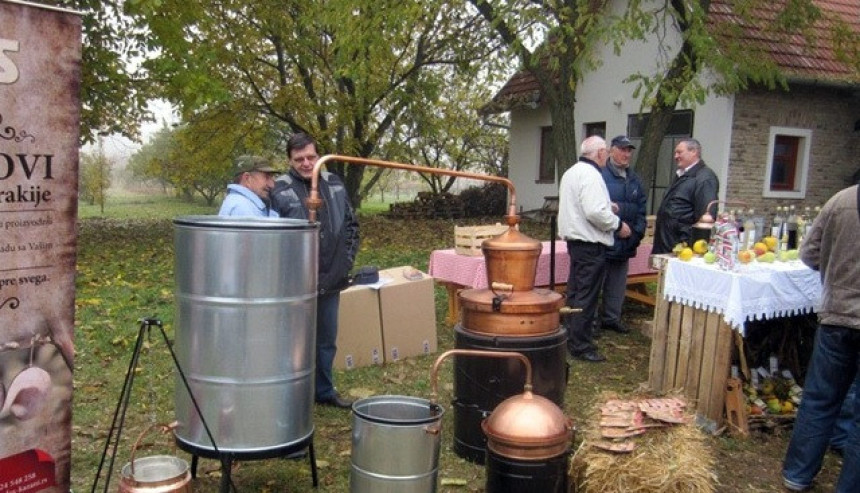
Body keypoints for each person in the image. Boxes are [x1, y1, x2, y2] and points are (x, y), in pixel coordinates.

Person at [270, 133, 360, 409]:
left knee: (326, 341)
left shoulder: (333, 183)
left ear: (318, 155)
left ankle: (323, 391)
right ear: (290, 160)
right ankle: (294, 398)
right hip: (295, 282)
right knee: (293, 343)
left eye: (311, 157)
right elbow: (271, 236)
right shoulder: (279, 189)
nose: (307, 163)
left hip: (331, 276)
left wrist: (345, 260)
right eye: (299, 159)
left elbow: (351, 225)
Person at [781, 184, 860, 492]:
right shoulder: (841, 200)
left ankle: (797, 474)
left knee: (819, 399)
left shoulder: (841, 199)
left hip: (837, 314)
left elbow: (810, 254)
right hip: (838, 315)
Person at [558, 135, 630, 362]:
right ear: (599, 153)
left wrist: (609, 206)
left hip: (576, 242)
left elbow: (583, 205)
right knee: (586, 296)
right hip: (590, 244)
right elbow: (593, 212)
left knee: (576, 292)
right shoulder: (591, 175)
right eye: (606, 152)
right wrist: (618, 225)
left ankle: (570, 336)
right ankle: (581, 345)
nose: (607, 156)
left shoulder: (572, 172)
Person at [596, 135, 647, 336]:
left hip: (626, 242)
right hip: (604, 240)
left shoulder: (635, 179)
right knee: (596, 284)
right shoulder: (600, 175)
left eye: (629, 150)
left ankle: (611, 319)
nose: (626, 154)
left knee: (617, 285)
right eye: (622, 149)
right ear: (611, 150)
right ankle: (592, 323)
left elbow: (642, 210)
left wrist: (637, 234)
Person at [652, 139, 719, 254]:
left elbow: (705, 218)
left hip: (682, 249)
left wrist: (691, 247)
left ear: (693, 152)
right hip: (666, 244)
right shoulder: (682, 175)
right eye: (675, 153)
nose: (675, 156)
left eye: (679, 152)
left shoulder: (704, 178)